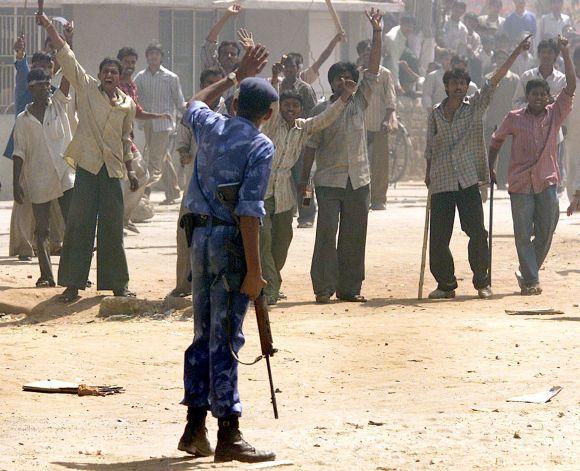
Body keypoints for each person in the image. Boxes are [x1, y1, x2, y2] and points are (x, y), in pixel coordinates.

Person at [178, 44, 278, 463]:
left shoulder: (211, 125)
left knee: (204, 335)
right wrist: (255, 272)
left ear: (236, 103)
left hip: (198, 244)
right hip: (229, 247)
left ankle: (194, 427)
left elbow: (192, 103)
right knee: (226, 340)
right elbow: (249, 213)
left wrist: (232, 76)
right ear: (268, 114)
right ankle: (229, 434)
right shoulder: (260, 146)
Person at [37, 12, 139, 302]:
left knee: (112, 229)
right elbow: (66, 56)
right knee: (80, 226)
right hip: (87, 167)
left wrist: (130, 171)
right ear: (100, 73)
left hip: (112, 172)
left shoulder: (127, 104)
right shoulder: (86, 87)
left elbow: (125, 139)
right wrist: (48, 26)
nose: (109, 75)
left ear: (120, 77)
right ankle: (72, 284)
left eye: (114, 72)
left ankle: (117, 284)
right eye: (105, 71)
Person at [424, 35, 531, 300]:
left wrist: (517, 50)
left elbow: (494, 79)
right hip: (441, 180)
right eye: (454, 83)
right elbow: (430, 148)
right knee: (438, 237)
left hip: (467, 179)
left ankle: (482, 281)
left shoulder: (475, 107)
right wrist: (427, 174)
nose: (459, 87)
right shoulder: (435, 114)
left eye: (463, 83)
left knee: (477, 232)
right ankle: (446, 284)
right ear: (446, 86)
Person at [299, 8, 383, 304]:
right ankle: (323, 287)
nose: (344, 83)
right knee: (326, 233)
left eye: (349, 79)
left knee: (354, 234)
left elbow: (373, 70)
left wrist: (377, 32)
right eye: (339, 80)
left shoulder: (360, 101)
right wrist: (304, 183)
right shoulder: (321, 110)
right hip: (329, 180)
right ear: (332, 82)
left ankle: (350, 289)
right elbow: (310, 146)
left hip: (359, 180)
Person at [260, 64, 355, 305]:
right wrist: (274, 79)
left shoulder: (304, 127)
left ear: (301, 109)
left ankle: (271, 277)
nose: (290, 109)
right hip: (261, 188)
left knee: (283, 239)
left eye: (295, 106)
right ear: (280, 108)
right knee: (263, 239)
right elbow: (270, 103)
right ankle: (270, 287)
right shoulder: (271, 123)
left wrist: (344, 97)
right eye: (286, 105)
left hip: (284, 191)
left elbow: (326, 117)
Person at [489, 35, 575, 295]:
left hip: (547, 179)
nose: (538, 98)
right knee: (523, 233)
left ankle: (528, 270)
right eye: (534, 94)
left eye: (542, 94)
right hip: (520, 182)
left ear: (549, 97)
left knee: (548, 226)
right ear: (527, 96)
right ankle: (531, 279)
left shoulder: (555, 113)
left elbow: (571, 86)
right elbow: (496, 141)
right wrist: (490, 167)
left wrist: (567, 53)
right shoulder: (515, 117)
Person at [12, 67, 74, 287]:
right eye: (41, 84)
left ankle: (76, 275)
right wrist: (16, 183)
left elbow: (67, 76)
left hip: (65, 175)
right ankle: (46, 275)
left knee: (73, 226)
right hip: (38, 178)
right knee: (42, 230)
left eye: (48, 83)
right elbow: (19, 153)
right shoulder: (23, 119)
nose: (47, 87)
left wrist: (69, 42)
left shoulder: (58, 105)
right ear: (31, 88)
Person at [170, 67, 225, 299]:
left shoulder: (228, 110)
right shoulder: (191, 110)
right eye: (209, 83)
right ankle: (183, 284)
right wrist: (184, 153)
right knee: (186, 235)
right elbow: (182, 141)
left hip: (220, 187)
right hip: (193, 184)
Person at [5, 37, 58, 261]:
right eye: (38, 66)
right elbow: (22, 68)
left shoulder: (53, 92)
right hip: (25, 151)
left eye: (47, 68)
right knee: (24, 200)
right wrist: (20, 55)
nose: (42, 71)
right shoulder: (25, 87)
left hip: (48, 152)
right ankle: (22, 246)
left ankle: (53, 244)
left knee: (52, 199)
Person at [117, 46, 172, 232]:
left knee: (142, 175)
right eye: (127, 62)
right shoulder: (114, 85)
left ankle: (124, 216)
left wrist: (157, 116)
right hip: (114, 139)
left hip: (127, 139)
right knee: (129, 176)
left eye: (133, 62)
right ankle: (119, 219)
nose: (130, 66)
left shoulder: (132, 85)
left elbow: (137, 111)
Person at [134, 42, 185, 206]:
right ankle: (173, 191)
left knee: (154, 159)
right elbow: (134, 98)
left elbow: (179, 101)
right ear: (147, 57)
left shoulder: (170, 77)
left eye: (156, 54)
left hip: (164, 125)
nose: (153, 57)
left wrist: (187, 119)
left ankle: (144, 192)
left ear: (161, 57)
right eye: (151, 54)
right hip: (148, 123)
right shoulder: (140, 77)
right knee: (162, 158)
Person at [357, 39, 397, 210]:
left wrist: (388, 119)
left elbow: (390, 99)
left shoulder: (385, 74)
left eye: (371, 51)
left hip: (379, 123)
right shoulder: (357, 74)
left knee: (380, 163)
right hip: (359, 126)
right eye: (364, 52)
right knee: (360, 164)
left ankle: (379, 198)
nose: (368, 55)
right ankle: (361, 197)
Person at [484, 49, 521, 189]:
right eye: (499, 58)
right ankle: (487, 178)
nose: (502, 61)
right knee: (489, 150)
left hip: (508, 120)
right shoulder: (489, 77)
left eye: (504, 58)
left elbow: (516, 100)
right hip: (492, 119)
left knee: (506, 152)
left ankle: (501, 180)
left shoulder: (514, 79)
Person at [202, 4, 242, 74]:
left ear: (238, 58)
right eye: (225, 53)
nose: (229, 56)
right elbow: (208, 44)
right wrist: (227, 15)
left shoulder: (242, 74)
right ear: (219, 57)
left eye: (233, 54)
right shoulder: (213, 70)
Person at [384, 14, 417, 92]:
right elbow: (393, 62)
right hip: (385, 63)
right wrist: (396, 84)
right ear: (401, 24)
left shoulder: (402, 34)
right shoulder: (393, 39)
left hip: (392, 63)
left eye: (411, 26)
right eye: (407, 26)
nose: (409, 29)